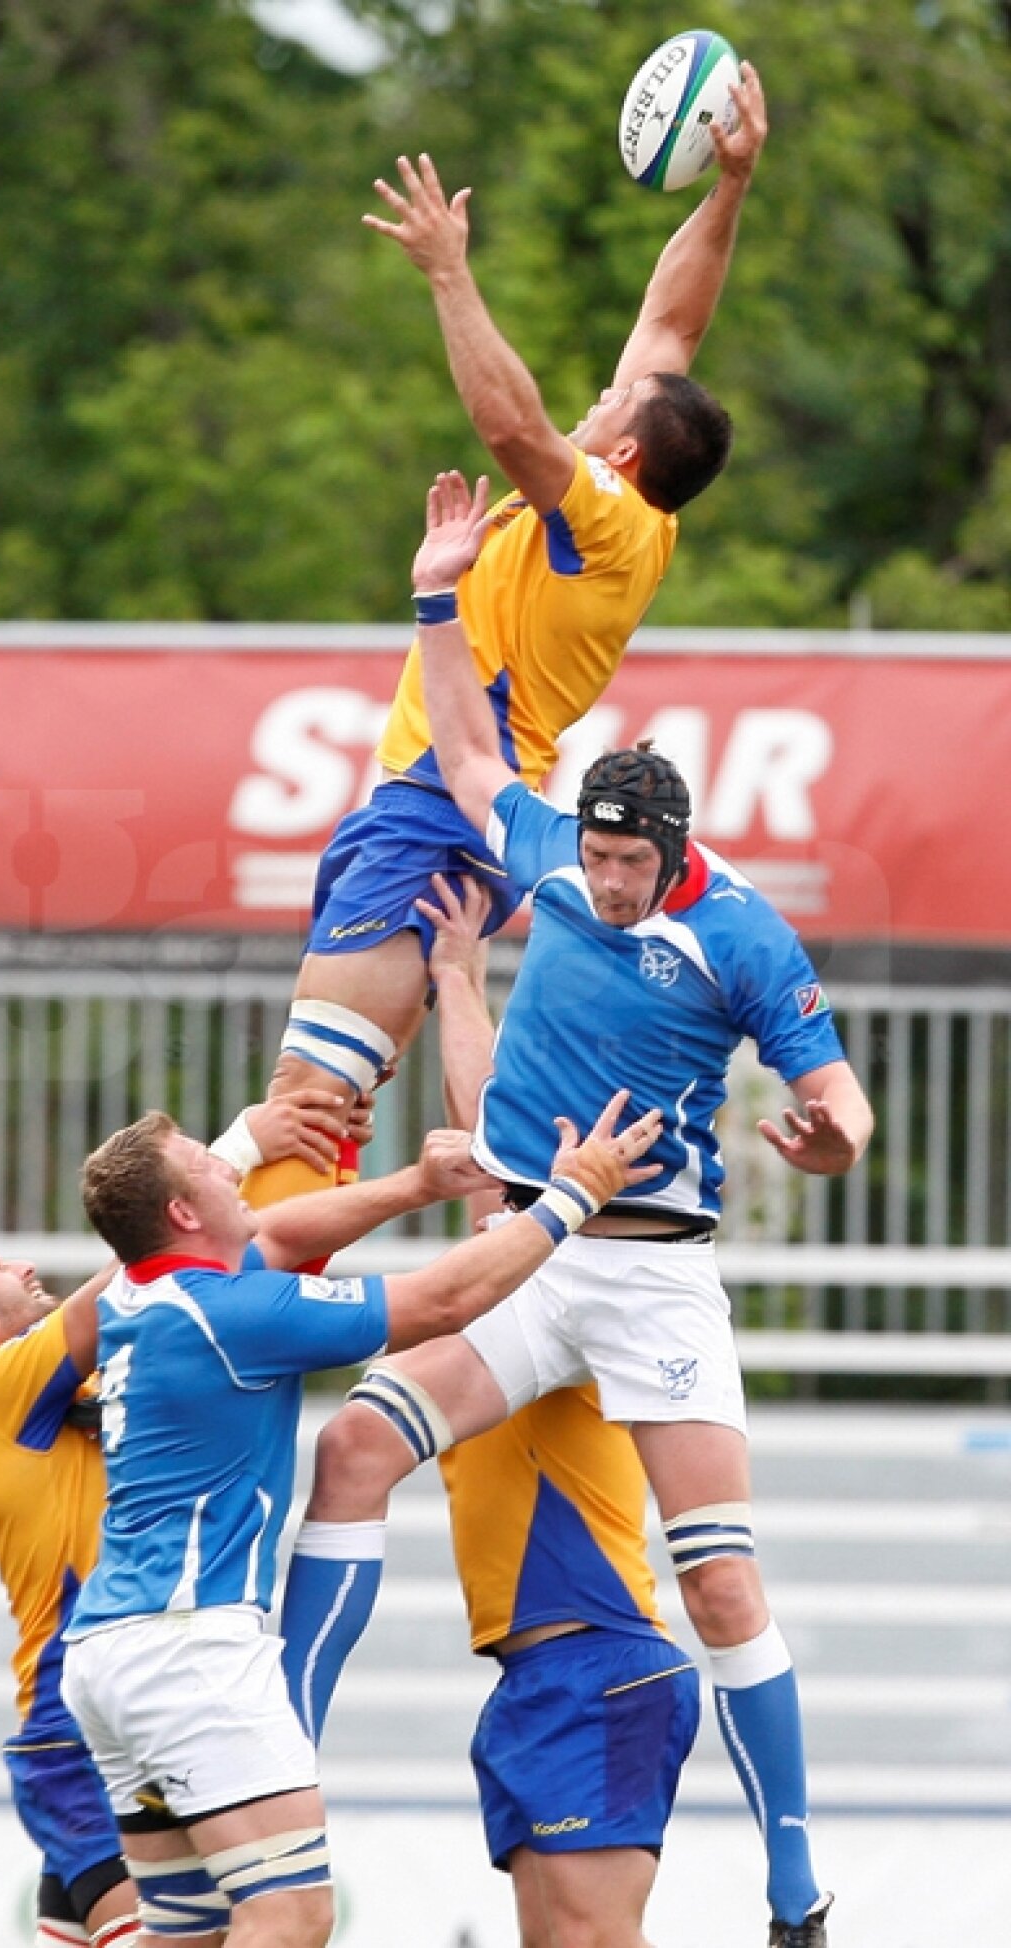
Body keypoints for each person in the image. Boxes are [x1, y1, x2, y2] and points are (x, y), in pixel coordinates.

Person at [277, 472, 875, 1948]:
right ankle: (276, 1763)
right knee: (355, 1445)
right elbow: (472, 749)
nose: (599, 882)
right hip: (534, 1259)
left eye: (625, 863)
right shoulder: (555, 853)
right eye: (590, 858)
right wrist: (433, 592)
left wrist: (827, 1147)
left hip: (658, 1277)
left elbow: (844, 1099)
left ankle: (797, 1890)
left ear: (673, 853)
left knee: (723, 1586)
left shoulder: (739, 932)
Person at [243, 62, 768, 1212]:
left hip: (442, 800)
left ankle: (232, 1345)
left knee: (308, 1101)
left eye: (609, 411)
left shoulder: (608, 512)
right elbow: (672, 319)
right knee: (331, 1104)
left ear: (623, 455)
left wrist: (447, 273)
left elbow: (506, 419)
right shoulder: (631, 500)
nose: (594, 405)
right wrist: (731, 184)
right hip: (447, 799)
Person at [60, 1092, 662, 1948]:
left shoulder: (135, 1294)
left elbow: (282, 1234)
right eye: (208, 1164)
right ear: (184, 1213)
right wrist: (575, 1193)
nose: (232, 1172)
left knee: (184, 1933)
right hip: (187, 1653)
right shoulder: (232, 1316)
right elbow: (444, 1301)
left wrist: (417, 1184)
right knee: (290, 1917)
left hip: (109, 1656)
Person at [0, 1090, 360, 1948]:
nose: (25, 1268)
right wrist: (236, 1147)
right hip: (80, 1720)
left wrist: (332, 1161)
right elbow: (145, 1267)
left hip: (109, 1704)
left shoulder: (91, 1381)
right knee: (240, 1925)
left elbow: (233, 1269)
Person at [426, 872, 701, 1948]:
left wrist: (463, 982)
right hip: (541, 1672)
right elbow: (491, 1140)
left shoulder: (570, 1276)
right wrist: (456, 977)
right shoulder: (506, 1288)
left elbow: (501, 1164)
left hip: (596, 1661)